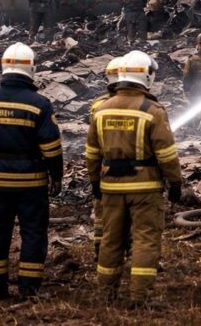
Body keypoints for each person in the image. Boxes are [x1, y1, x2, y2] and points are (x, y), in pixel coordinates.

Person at [87, 50, 183, 307]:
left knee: (110, 239)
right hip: (146, 188)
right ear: (147, 77)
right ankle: (140, 298)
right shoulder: (153, 110)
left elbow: (92, 153)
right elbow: (167, 154)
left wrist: (95, 182)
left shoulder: (101, 109)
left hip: (110, 187)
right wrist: (176, 183)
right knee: (145, 239)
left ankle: (105, 294)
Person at [0, 42, 63, 300]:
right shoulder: (39, 104)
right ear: (31, 69)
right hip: (31, 181)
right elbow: (52, 148)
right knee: (32, 231)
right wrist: (56, 176)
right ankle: (28, 288)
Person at [90, 56, 123, 257]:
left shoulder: (97, 105)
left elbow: (93, 143)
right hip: (137, 169)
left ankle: (99, 248)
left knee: (102, 210)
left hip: (104, 166)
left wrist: (93, 177)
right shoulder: (139, 104)